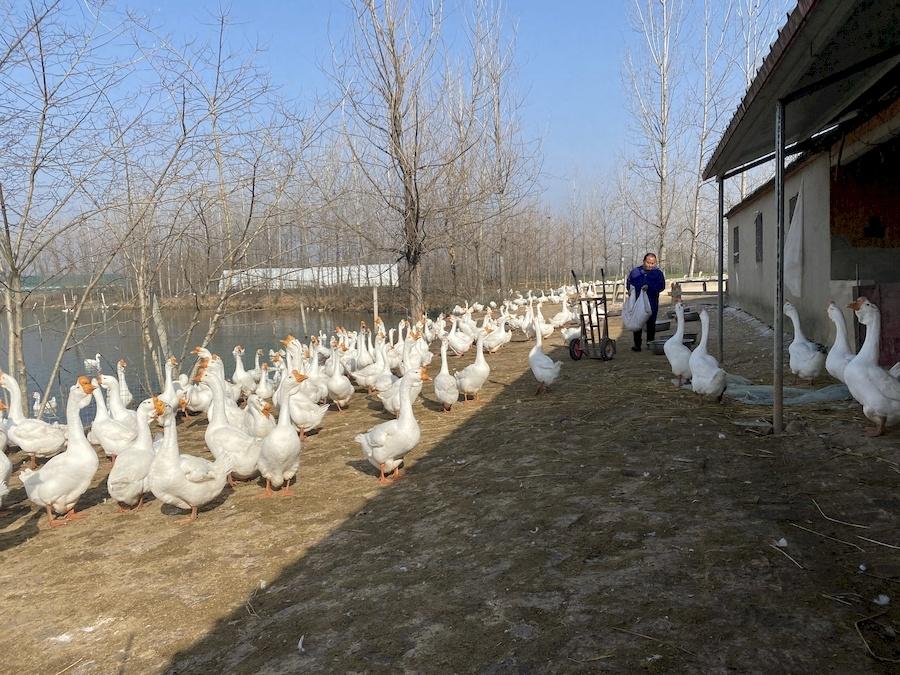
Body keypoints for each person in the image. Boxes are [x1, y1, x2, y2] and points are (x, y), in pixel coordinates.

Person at [626, 252, 666, 352]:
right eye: (648, 263)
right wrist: (630, 290)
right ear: (644, 261)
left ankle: (650, 343)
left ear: (655, 263)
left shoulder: (658, 274)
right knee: (637, 322)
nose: (650, 265)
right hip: (637, 303)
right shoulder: (635, 272)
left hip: (651, 302)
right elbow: (629, 284)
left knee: (651, 323)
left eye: (652, 263)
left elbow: (661, 287)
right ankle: (637, 345)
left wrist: (651, 287)